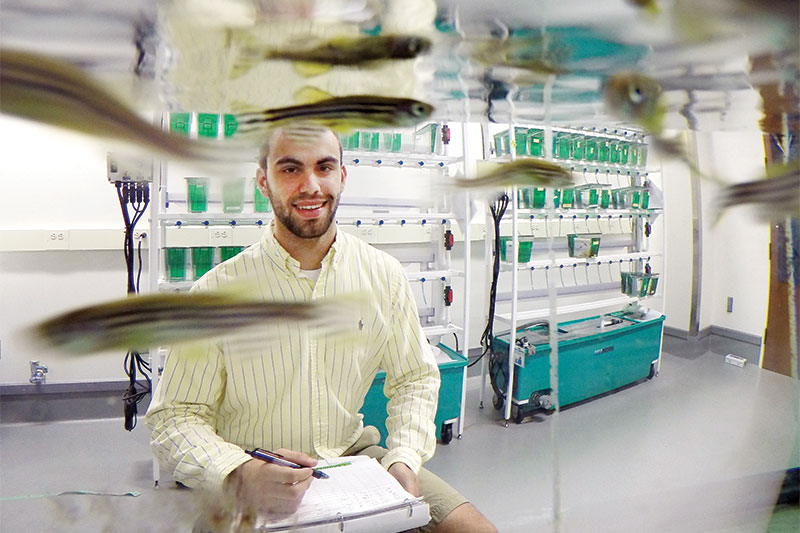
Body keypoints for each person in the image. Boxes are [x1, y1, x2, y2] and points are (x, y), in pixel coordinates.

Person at [145, 124, 496, 532]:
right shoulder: (216, 293)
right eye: (290, 169)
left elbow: (415, 378)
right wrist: (239, 471)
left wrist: (404, 456)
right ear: (264, 181)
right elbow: (175, 417)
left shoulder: (382, 276)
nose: (310, 186)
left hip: (354, 458)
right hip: (256, 466)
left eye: (324, 167)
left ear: (342, 176)